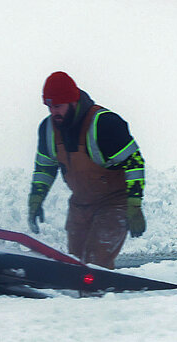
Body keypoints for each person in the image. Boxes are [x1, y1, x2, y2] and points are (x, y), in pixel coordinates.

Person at [27, 71, 146, 268]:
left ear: (73, 101)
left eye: (58, 106)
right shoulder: (48, 129)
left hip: (113, 204)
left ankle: (102, 297)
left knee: (94, 266)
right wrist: (36, 199)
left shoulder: (104, 124)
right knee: (74, 266)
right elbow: (44, 168)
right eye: (49, 107)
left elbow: (134, 162)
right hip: (80, 206)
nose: (53, 112)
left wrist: (134, 205)